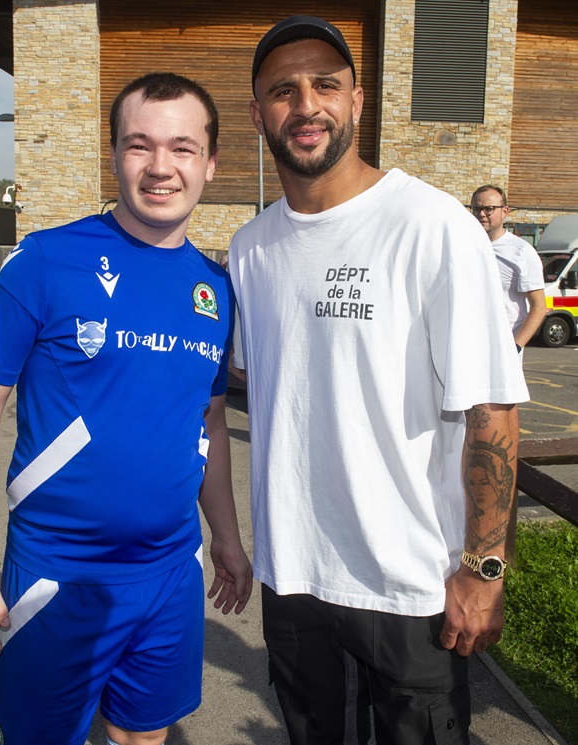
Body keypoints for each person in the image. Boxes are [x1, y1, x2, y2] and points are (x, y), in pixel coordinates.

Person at [228, 16, 529, 745]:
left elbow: (491, 408)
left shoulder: (431, 225)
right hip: (293, 574)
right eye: (283, 91)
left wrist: (483, 568)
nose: (306, 105)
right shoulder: (249, 247)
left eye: (325, 84)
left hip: (410, 583)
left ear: (357, 101)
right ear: (258, 113)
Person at [0, 72, 252, 745]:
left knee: (143, 735)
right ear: (113, 155)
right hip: (60, 572)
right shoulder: (46, 262)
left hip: (169, 574)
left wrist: (225, 536)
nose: (161, 166)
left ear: (211, 163)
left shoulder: (215, 288)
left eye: (183, 147)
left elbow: (209, 424)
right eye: (140, 146)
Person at [470, 185, 547, 356]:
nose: (481, 214)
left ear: (505, 212)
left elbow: (539, 306)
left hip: (504, 350)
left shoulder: (521, 252)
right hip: (469, 345)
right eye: (476, 208)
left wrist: (515, 346)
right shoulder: (463, 247)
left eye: (489, 209)